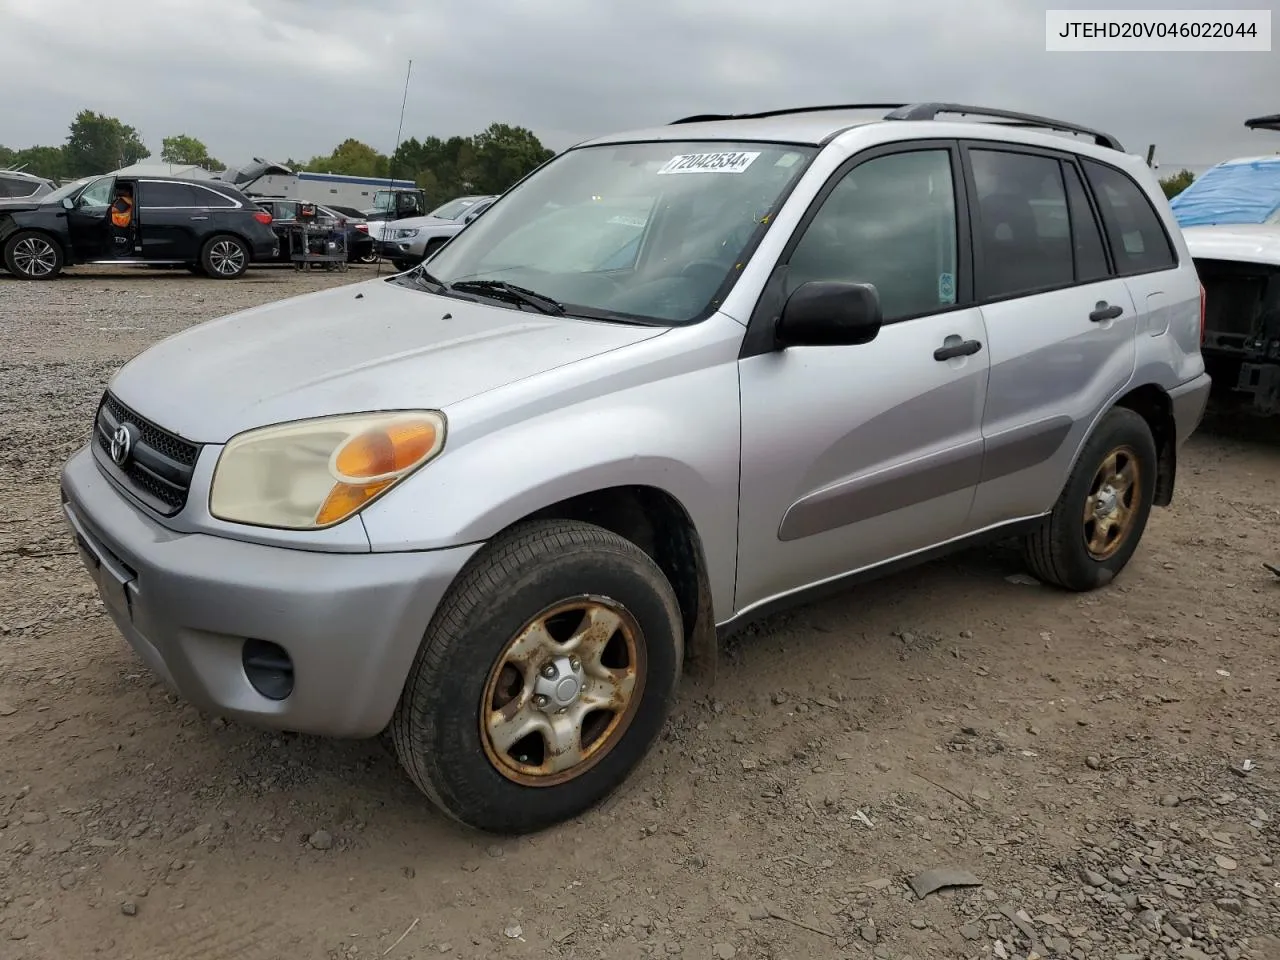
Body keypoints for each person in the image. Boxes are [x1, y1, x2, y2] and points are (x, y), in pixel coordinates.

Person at [110, 185, 134, 256]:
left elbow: (116, 210)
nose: (118, 191)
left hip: (119, 224)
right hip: (123, 224)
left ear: (127, 192)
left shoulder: (124, 200)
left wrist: (106, 207)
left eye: (121, 189)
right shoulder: (129, 199)